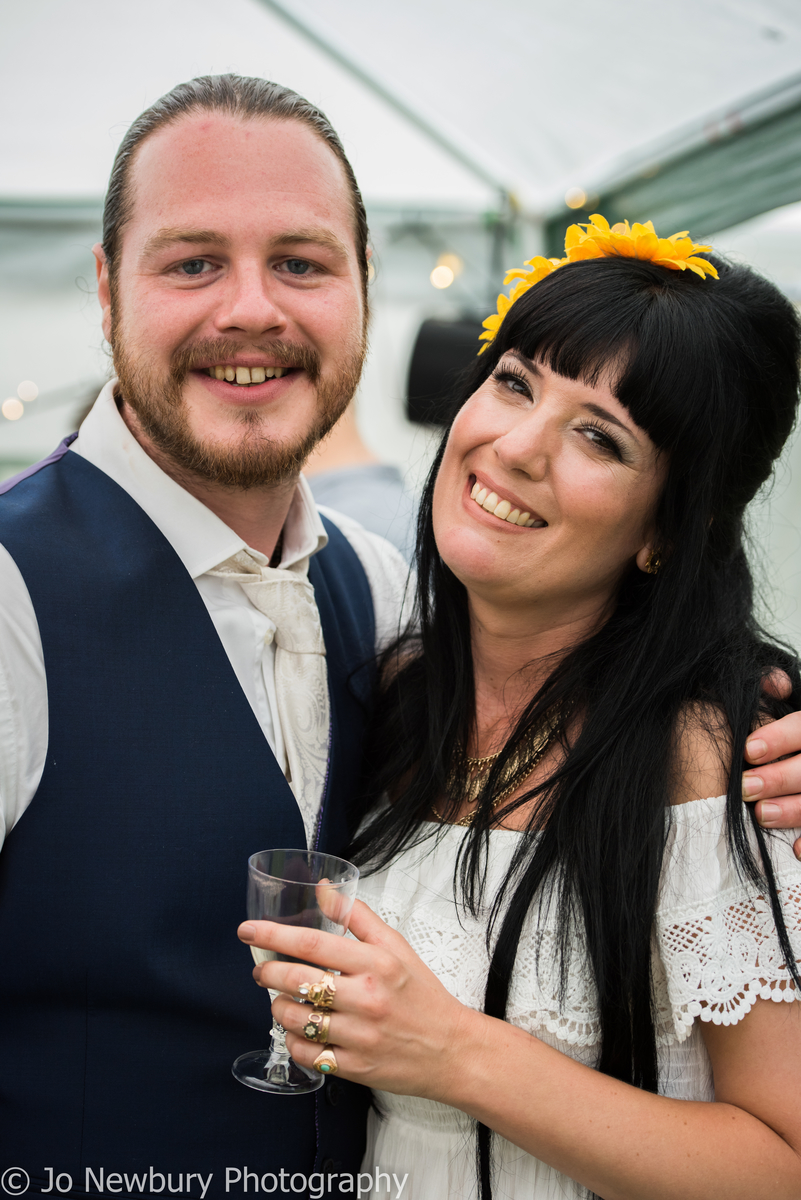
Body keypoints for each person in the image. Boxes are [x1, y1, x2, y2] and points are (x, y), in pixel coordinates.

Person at [245, 218, 801, 1199]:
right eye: (514, 381)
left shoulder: (710, 758)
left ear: (666, 532)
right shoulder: (395, 692)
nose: (517, 446)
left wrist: (453, 1053)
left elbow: (784, 1163)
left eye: (599, 436)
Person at [0, 75, 409, 1194]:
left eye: (301, 262)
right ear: (105, 289)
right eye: (192, 263)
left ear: (364, 288)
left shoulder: (386, 594)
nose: (251, 310)